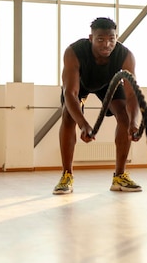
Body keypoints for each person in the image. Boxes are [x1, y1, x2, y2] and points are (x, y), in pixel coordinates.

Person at [53, 17, 141, 195]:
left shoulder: (125, 56)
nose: (107, 44)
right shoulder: (74, 52)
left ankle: (119, 176)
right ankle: (66, 175)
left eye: (111, 39)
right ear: (91, 38)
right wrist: (83, 124)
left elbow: (132, 96)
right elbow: (70, 93)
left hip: (109, 84)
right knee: (69, 115)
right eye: (100, 39)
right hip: (81, 85)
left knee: (125, 117)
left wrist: (135, 122)